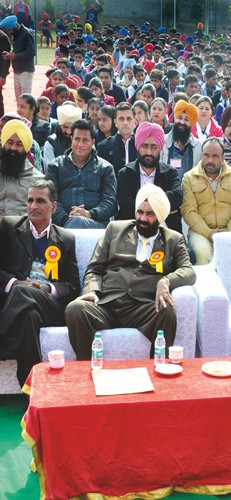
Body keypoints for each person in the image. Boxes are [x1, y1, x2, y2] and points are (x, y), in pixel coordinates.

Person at [65, 184, 196, 360]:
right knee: (76, 309)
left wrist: (166, 281)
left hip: (142, 308)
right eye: (140, 212)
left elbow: (189, 271)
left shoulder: (173, 239)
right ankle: (88, 370)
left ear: (160, 216)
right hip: (107, 304)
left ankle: (158, 372)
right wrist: (91, 291)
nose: (143, 218)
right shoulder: (115, 229)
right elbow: (95, 267)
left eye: (150, 214)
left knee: (167, 311)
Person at [0, 180, 79, 385]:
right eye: (30, 200)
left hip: (49, 305)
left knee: (23, 295)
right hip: (18, 302)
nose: (33, 206)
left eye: (40, 201)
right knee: (29, 316)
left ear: (53, 206)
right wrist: (15, 284)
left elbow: (72, 286)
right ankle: (32, 387)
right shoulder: (9, 227)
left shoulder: (66, 238)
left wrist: (46, 288)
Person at [181, 137, 231, 265]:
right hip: (201, 232)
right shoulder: (189, 178)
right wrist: (209, 233)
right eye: (206, 155)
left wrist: (227, 233)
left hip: (229, 232)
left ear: (223, 157)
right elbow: (189, 211)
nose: (210, 160)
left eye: (215, 156)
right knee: (202, 253)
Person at [44, 119, 116, 229]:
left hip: (96, 226)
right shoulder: (56, 166)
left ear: (92, 142)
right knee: (75, 223)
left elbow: (110, 202)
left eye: (85, 140)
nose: (80, 144)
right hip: (61, 225)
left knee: (78, 222)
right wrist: (66, 219)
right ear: (71, 139)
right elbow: (50, 198)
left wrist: (89, 214)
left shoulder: (105, 168)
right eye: (77, 139)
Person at [116, 122, 182, 234]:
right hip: (132, 232)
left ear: (160, 148)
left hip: (166, 233)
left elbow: (177, 196)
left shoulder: (170, 173)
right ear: (138, 147)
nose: (149, 152)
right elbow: (126, 206)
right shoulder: (125, 173)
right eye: (145, 146)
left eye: (154, 147)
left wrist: (142, 205)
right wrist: (161, 207)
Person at [0, 118, 41, 215]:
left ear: (26, 148)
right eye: (10, 142)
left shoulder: (37, 180)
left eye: (19, 144)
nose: (13, 148)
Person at [161, 99, 202, 178]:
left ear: (192, 123)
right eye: (179, 118)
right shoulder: (163, 142)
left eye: (186, 119)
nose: (182, 122)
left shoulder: (198, 146)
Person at [96, 102, 138, 173]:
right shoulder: (103, 147)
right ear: (115, 122)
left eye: (129, 119)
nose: (125, 122)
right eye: (121, 119)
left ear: (135, 121)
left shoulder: (142, 145)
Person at [0, 15, 35, 100]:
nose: (9, 32)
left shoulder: (27, 33)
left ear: (14, 27)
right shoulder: (16, 34)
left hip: (26, 71)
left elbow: (32, 52)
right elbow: (18, 51)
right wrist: (9, 55)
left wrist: (15, 56)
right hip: (17, 70)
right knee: (19, 100)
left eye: (9, 30)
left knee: (25, 100)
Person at [42, 102, 81, 168]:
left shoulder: (86, 140)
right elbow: (50, 169)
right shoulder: (51, 143)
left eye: (72, 128)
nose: (69, 132)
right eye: (65, 127)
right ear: (60, 125)